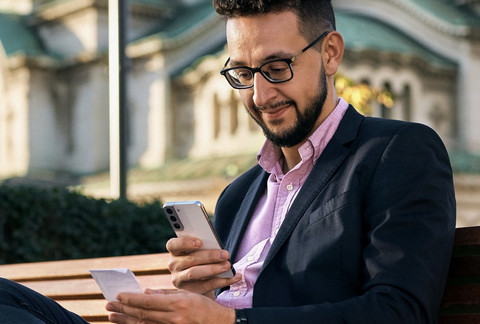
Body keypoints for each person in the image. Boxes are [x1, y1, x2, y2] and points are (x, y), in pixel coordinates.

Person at [0, 0, 456, 323]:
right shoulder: (240, 194)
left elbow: (399, 312)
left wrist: (224, 322)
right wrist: (198, 295)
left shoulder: (395, 152)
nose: (260, 96)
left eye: (278, 68)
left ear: (331, 53)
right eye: (242, 73)